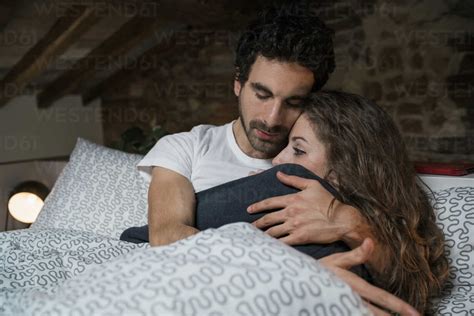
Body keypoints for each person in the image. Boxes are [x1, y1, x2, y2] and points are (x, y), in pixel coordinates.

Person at [135, 6, 420, 315]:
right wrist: (298, 277)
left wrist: (348, 221)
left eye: (293, 102)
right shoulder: (185, 148)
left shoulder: (328, 155)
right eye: (262, 94)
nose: (272, 119)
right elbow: (167, 237)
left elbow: (405, 269)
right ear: (238, 83)